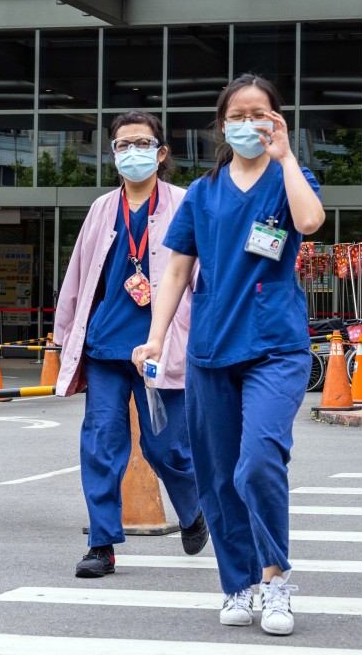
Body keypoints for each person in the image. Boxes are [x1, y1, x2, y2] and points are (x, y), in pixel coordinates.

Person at [133, 73, 324, 636]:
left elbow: (310, 223)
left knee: (259, 462)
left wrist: (287, 159)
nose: (247, 124)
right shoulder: (204, 191)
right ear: (223, 125)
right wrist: (156, 335)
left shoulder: (292, 178)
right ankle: (237, 583)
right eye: (236, 115)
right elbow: (176, 269)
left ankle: (276, 580)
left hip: (274, 346)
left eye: (258, 113)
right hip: (211, 347)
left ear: (277, 120)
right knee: (217, 477)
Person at [54, 110, 208, 579]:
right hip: (105, 346)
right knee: (101, 443)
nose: (131, 153)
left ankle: (193, 508)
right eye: (122, 145)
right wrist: (65, 339)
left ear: (161, 153)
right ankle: (101, 544)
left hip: (162, 349)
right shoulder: (103, 208)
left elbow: (201, 276)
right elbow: (79, 277)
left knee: (166, 448)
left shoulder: (185, 203)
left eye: (142, 144)